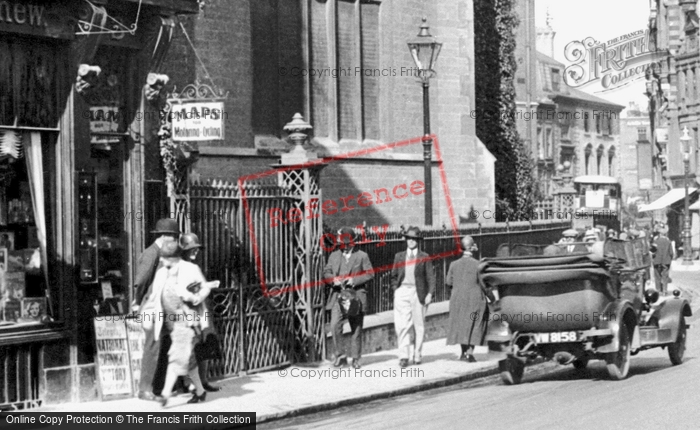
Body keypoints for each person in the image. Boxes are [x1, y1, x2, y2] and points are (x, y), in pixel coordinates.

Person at [151, 240, 218, 407]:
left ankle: (165, 395)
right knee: (186, 359)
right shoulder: (161, 273)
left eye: (164, 258)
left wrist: (192, 297)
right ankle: (200, 391)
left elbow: (204, 289)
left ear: (173, 258)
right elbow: (155, 296)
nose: (161, 261)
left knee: (177, 357)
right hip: (169, 322)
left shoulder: (190, 269)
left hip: (187, 321)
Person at [133, 218, 180, 402]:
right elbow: (141, 281)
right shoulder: (151, 253)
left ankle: (158, 386)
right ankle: (144, 389)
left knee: (163, 346)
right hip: (152, 308)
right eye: (172, 236)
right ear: (163, 236)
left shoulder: (164, 253)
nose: (175, 240)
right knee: (152, 347)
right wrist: (137, 302)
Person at [323, 227, 374, 369]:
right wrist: (333, 280)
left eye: (345, 243)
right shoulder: (334, 255)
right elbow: (326, 272)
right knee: (335, 325)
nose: (343, 246)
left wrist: (354, 280)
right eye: (341, 243)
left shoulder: (362, 256)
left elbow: (370, 274)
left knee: (356, 327)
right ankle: (341, 356)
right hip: (338, 295)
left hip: (356, 295)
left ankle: (356, 358)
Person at [179, 233, 221, 393]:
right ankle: (189, 382)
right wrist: (195, 296)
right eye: (191, 249)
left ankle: (203, 380)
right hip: (187, 311)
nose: (195, 252)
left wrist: (203, 291)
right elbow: (180, 291)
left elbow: (203, 287)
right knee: (189, 348)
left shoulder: (194, 267)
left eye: (196, 249)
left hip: (200, 311)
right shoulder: (179, 267)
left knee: (204, 345)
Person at [390, 226, 436, 367]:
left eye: (414, 239)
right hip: (402, 291)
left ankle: (417, 354)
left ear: (418, 240)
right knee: (402, 325)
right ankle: (404, 356)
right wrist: (395, 290)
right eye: (408, 238)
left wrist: (429, 294)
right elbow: (393, 276)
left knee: (418, 325)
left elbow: (431, 277)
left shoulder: (424, 257)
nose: (410, 241)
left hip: (418, 292)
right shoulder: (399, 256)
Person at [446, 236, 494, 362]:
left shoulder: (453, 264)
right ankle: (469, 353)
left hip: (458, 299)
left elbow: (448, 282)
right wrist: (492, 298)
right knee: (475, 325)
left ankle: (463, 353)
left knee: (462, 325)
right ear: (472, 247)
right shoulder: (478, 265)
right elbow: (484, 285)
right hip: (475, 299)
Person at [652, 224, 674, 295]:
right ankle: (664, 290)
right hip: (666, 261)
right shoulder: (668, 241)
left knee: (657, 276)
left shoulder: (655, 241)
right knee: (665, 276)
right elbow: (671, 253)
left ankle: (658, 290)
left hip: (657, 260)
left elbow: (653, 251)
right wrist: (670, 259)